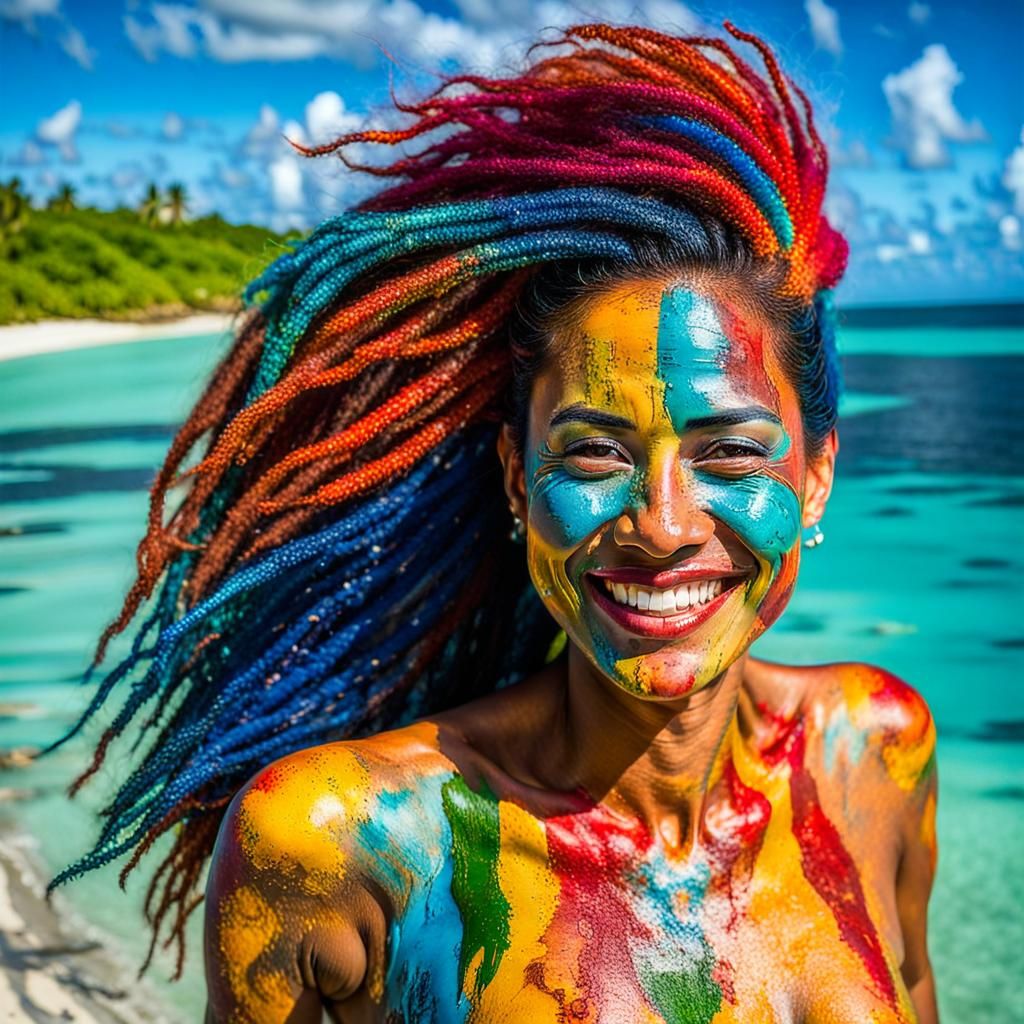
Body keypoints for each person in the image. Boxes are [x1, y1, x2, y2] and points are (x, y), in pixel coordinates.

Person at [53, 19, 939, 1023]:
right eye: (593, 452)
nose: (660, 522)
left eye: (729, 454)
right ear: (518, 480)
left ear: (816, 476)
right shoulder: (345, 844)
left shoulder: (871, 750)